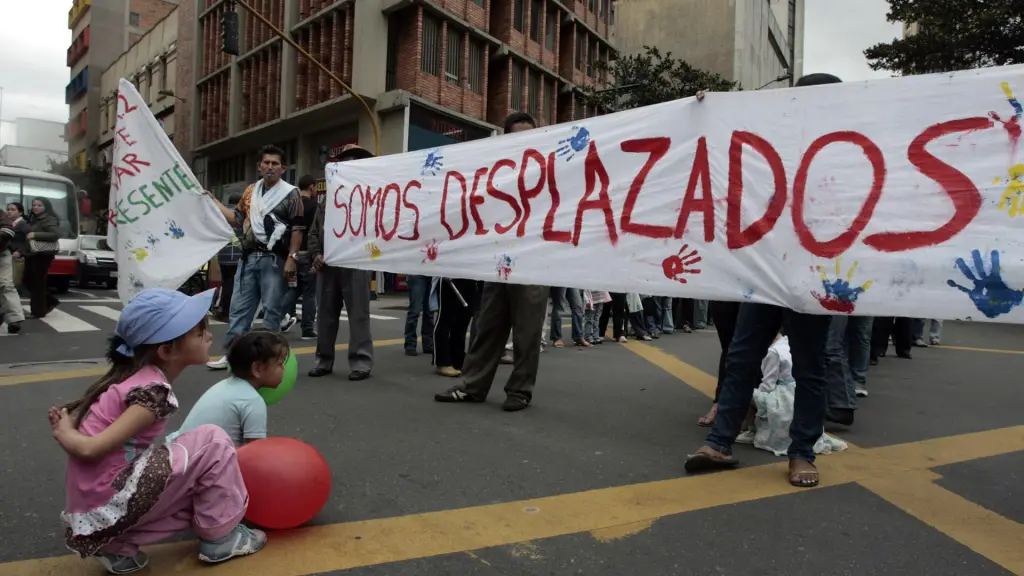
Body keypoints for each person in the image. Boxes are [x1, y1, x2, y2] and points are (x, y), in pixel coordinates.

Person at [683, 73, 844, 489]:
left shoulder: (843, 153)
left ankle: (802, 452)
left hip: (814, 278)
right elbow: (723, 157)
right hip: (766, 273)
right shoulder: (772, 144)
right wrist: (705, 112)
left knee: (810, 366)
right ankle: (719, 442)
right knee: (740, 357)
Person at [48, 288, 265, 574]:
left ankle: (116, 547)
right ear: (166, 350)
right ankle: (221, 538)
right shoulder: (152, 393)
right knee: (213, 440)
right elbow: (90, 449)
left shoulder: (130, 377)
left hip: (96, 499)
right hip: (113, 495)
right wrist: (65, 433)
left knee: (188, 465)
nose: (210, 336)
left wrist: (69, 428)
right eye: (200, 333)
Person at [433, 112, 548, 412]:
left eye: (528, 135)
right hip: (498, 262)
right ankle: (472, 386)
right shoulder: (495, 175)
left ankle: (520, 390)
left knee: (527, 331)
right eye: (516, 135)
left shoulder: (548, 172)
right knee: (487, 326)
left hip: (534, 261)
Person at [205, 145, 306, 370]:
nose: (270, 167)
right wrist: (215, 202)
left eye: (275, 164)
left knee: (272, 310)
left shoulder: (292, 193)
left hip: (274, 259)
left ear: (283, 168)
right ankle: (232, 355)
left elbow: (298, 229)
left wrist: (292, 257)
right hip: (248, 257)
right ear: (259, 166)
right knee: (239, 308)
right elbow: (237, 219)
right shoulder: (251, 191)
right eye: (266, 163)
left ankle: (268, 359)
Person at [307, 143, 375, 381]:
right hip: (328, 265)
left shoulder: (372, 197)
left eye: (356, 159)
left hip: (357, 264)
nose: (351, 163)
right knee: (324, 315)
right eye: (347, 160)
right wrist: (316, 255)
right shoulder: (327, 199)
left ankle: (361, 363)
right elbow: (314, 232)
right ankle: (323, 360)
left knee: (359, 316)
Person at [177, 331, 290, 447]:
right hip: (196, 462)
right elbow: (257, 454)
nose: (284, 370)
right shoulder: (252, 401)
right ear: (257, 368)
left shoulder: (224, 386)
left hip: (178, 452)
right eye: (280, 364)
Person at [280, 175, 320, 339]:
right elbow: (317, 230)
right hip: (307, 253)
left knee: (294, 289)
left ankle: (281, 316)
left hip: (291, 254)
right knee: (310, 293)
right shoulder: (315, 207)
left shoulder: (292, 204)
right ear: (311, 187)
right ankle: (308, 328)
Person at [22, 197, 61, 318]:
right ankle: (49, 301)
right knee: (27, 281)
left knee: (37, 283)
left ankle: (38, 311)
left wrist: (35, 234)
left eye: (39, 205)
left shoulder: (48, 219)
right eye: (34, 205)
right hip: (32, 253)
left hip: (42, 255)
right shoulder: (34, 219)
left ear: (46, 207)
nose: (36, 207)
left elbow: (56, 234)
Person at [432, 277, 478, 377]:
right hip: (450, 275)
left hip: (469, 276)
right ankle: (442, 362)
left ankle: (458, 359)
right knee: (446, 318)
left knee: (463, 319)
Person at [213, 194, 244, 322]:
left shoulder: (222, 215)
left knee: (226, 283)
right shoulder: (237, 216)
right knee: (233, 284)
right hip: (236, 256)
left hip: (223, 255)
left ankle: (223, 309)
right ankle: (228, 311)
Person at [0, 207, 24, 333]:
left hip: (1, 253)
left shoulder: (1, 214)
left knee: (6, 284)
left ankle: (14, 318)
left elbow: (8, 231)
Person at [404, 274, 435, 356]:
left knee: (429, 312)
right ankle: (410, 344)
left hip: (433, 273)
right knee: (415, 311)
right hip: (417, 273)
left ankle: (428, 343)